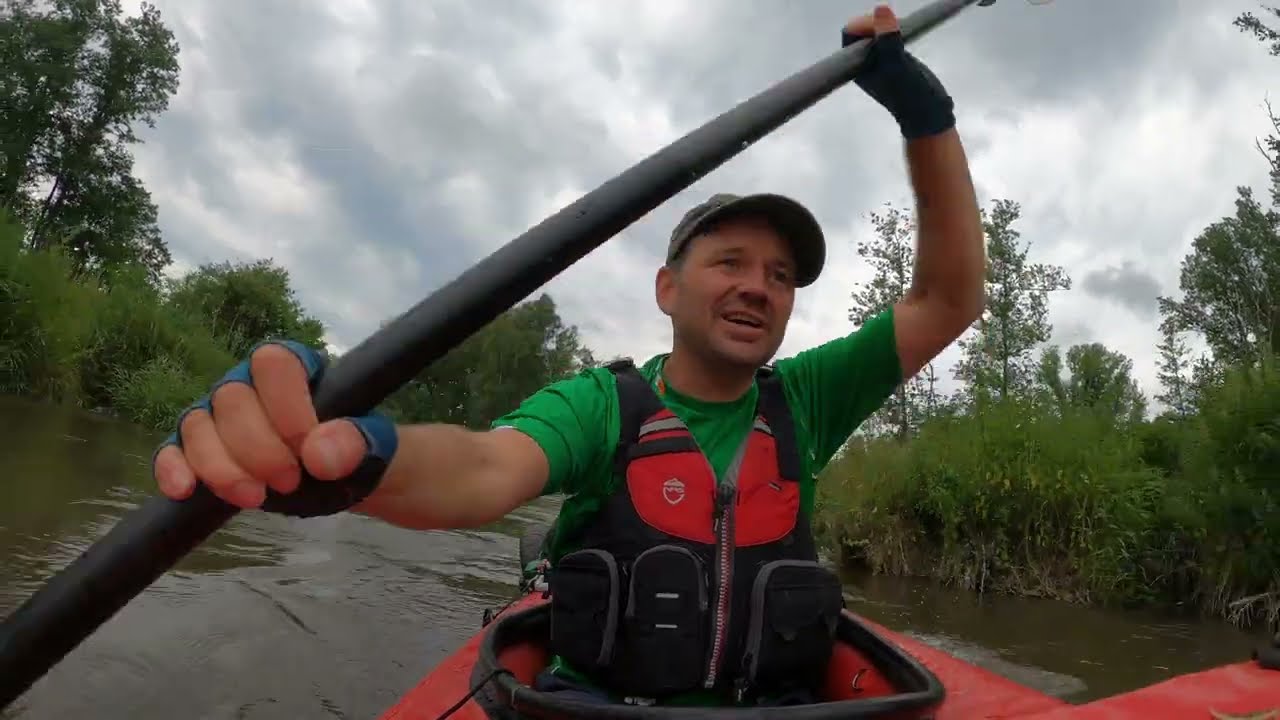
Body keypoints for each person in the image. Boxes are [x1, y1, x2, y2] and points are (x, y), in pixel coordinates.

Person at [151, 4, 985, 709]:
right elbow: (484, 469)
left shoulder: (807, 399)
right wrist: (358, 462)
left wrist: (926, 117)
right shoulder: (600, 405)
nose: (757, 288)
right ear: (667, 289)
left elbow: (948, 301)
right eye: (729, 262)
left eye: (779, 276)